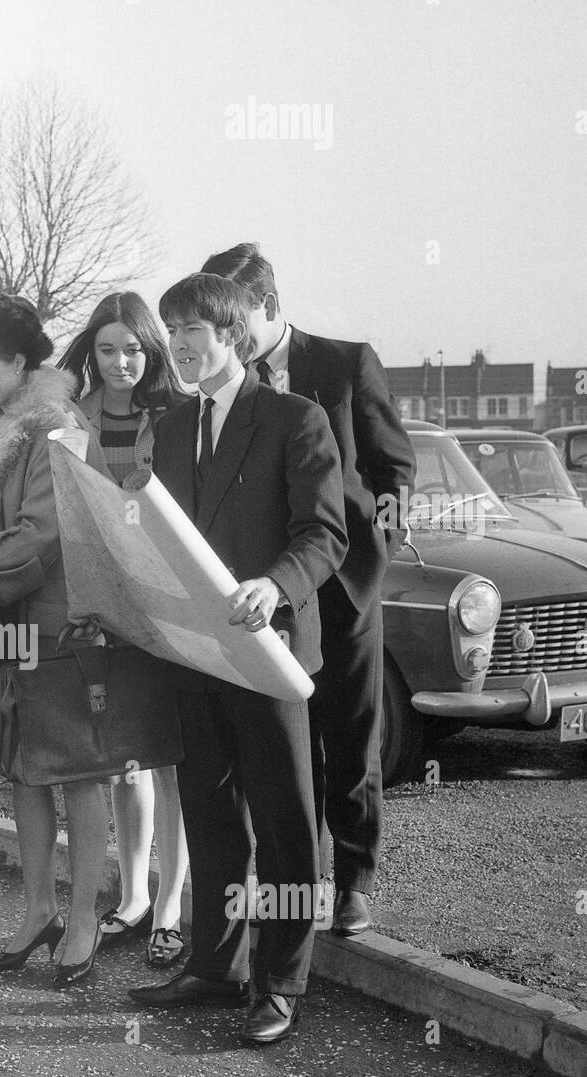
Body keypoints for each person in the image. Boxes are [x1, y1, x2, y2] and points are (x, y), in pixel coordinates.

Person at [127, 273, 346, 1044]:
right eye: (173, 331)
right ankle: (215, 967)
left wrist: (274, 583)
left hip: (271, 651)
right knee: (212, 814)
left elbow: (324, 534)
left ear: (233, 334)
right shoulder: (172, 425)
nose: (181, 345)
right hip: (196, 653)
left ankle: (279, 984)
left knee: (286, 823)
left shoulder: (295, 418)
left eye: (194, 330)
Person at [201, 243, 415, 937]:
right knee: (283, 747)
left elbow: (393, 466)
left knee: (352, 736)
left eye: (234, 321)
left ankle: (352, 882)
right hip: (270, 591)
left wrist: (374, 552)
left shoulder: (347, 363)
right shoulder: (225, 386)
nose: (224, 337)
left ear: (265, 305)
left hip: (344, 589)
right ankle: (296, 883)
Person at [0, 289, 113, 988]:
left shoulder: (55, 425)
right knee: (22, 767)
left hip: (61, 623)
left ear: (18, 361)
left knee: (75, 770)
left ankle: (83, 918)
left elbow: (42, 535)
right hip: (14, 624)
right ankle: (40, 908)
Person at [59, 291, 191, 968]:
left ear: (152, 349)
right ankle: (133, 898)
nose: (120, 362)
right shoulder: (69, 419)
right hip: (98, 608)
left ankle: (170, 905)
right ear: (91, 352)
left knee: (168, 758)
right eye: (106, 349)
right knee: (123, 758)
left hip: (166, 606)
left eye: (133, 348)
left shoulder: (175, 417)